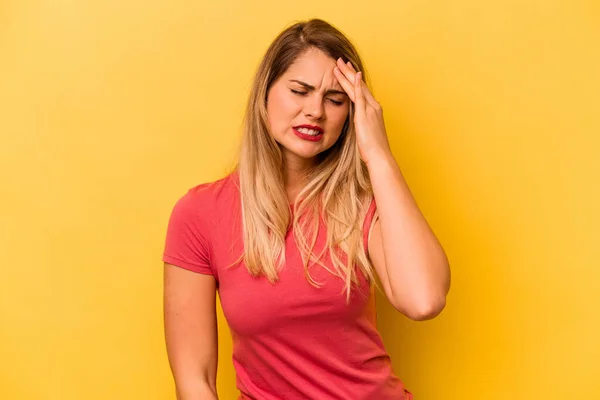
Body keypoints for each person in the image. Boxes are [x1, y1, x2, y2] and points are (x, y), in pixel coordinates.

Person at [162, 18, 450, 400]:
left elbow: (423, 299)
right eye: (300, 91)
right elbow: (194, 379)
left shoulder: (362, 204)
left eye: (335, 100)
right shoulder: (199, 214)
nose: (315, 111)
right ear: (265, 94)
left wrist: (378, 154)